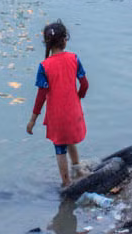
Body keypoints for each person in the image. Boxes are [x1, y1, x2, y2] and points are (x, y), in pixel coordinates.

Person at [26, 20, 89, 186]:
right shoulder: (74, 59)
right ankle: (78, 169)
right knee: (70, 140)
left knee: (60, 148)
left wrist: (33, 120)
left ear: (47, 42)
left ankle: (66, 182)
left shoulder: (44, 66)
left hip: (56, 115)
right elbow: (84, 84)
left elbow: (41, 96)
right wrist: (78, 97)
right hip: (73, 111)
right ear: (64, 40)